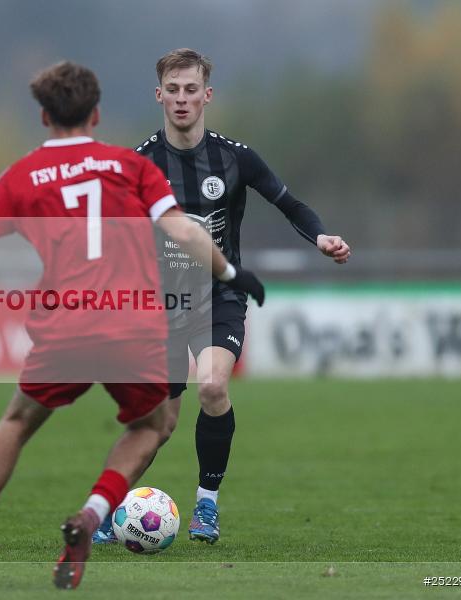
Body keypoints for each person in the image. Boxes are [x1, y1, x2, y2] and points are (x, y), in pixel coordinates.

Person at [0, 61, 266, 589]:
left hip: (64, 326)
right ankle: (93, 516)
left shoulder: (21, 177)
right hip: (132, 325)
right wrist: (232, 272)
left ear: (44, 115)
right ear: (96, 114)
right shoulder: (128, 165)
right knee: (153, 425)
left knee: (18, 423)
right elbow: (183, 230)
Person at [92, 48, 351, 547]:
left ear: (207, 95)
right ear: (159, 95)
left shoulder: (236, 157)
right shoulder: (138, 163)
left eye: (192, 90)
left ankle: (206, 506)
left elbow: (290, 203)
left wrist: (319, 237)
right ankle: (105, 508)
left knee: (212, 386)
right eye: (174, 90)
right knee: (157, 425)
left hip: (220, 298)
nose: (183, 99)